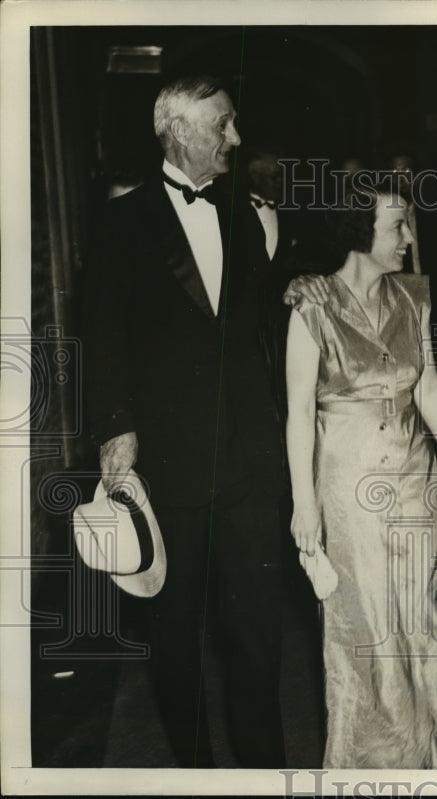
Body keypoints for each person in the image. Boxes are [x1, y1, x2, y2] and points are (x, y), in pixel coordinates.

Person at [81, 75, 286, 767]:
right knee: (177, 638)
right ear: (175, 133)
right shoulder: (119, 222)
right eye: (221, 125)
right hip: (166, 465)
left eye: (232, 123)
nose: (234, 137)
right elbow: (101, 334)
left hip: (251, 464)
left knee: (259, 636)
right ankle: (197, 770)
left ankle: (265, 774)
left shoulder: (246, 213)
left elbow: (269, 326)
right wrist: (115, 423)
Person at [284, 180, 437, 768]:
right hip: (348, 493)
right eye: (397, 226)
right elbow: (297, 414)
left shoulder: (413, 297)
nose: (408, 237)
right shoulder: (311, 305)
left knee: (433, 626)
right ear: (358, 230)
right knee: (368, 634)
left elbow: (427, 383)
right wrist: (304, 505)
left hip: (416, 484)